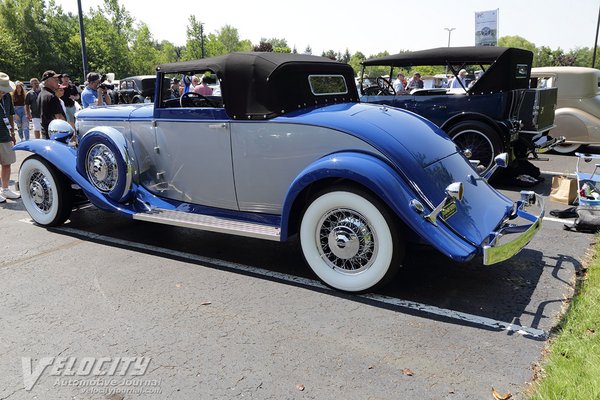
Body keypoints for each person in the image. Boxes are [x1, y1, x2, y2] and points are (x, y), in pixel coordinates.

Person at [0, 72, 21, 202]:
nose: (3, 93)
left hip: (5, 135)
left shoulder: (7, 97)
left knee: (7, 163)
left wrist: (12, 133)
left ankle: (6, 189)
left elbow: (11, 115)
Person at [37, 70, 66, 139]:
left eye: (57, 79)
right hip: (56, 134)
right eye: (55, 79)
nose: (58, 81)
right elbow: (59, 117)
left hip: (46, 132)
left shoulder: (41, 94)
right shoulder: (51, 96)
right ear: (47, 81)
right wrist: (69, 131)